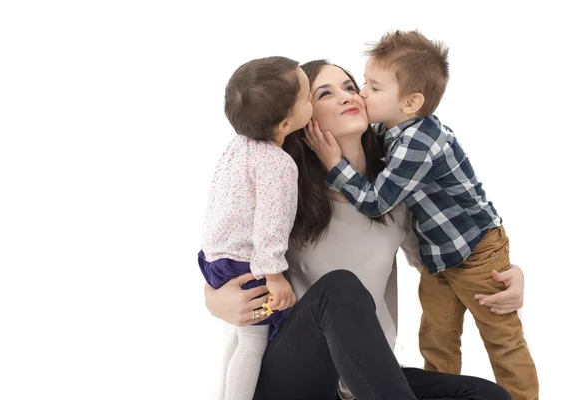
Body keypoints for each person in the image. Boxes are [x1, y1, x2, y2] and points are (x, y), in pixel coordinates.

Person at [205, 59, 522, 399]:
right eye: (325, 93)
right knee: (341, 288)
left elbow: (449, 262)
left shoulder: (394, 197)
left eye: (351, 87)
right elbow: (226, 248)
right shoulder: (284, 187)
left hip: (363, 382)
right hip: (293, 377)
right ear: (300, 116)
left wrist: (505, 273)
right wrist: (213, 300)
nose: (346, 96)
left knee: (487, 395)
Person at [304, 30, 538, 400]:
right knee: (436, 336)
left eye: (367, 87)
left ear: (411, 102)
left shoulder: (414, 148)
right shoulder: (385, 137)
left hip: (475, 253)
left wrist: (512, 272)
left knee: (500, 341)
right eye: (330, 91)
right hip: (436, 257)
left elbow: (378, 202)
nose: (359, 94)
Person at [198, 56, 312, 400]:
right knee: (253, 343)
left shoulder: (238, 147)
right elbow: (270, 225)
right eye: (307, 99)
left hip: (216, 259)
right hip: (248, 266)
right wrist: (274, 276)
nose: (310, 104)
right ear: (286, 123)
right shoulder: (277, 164)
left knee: (238, 335)